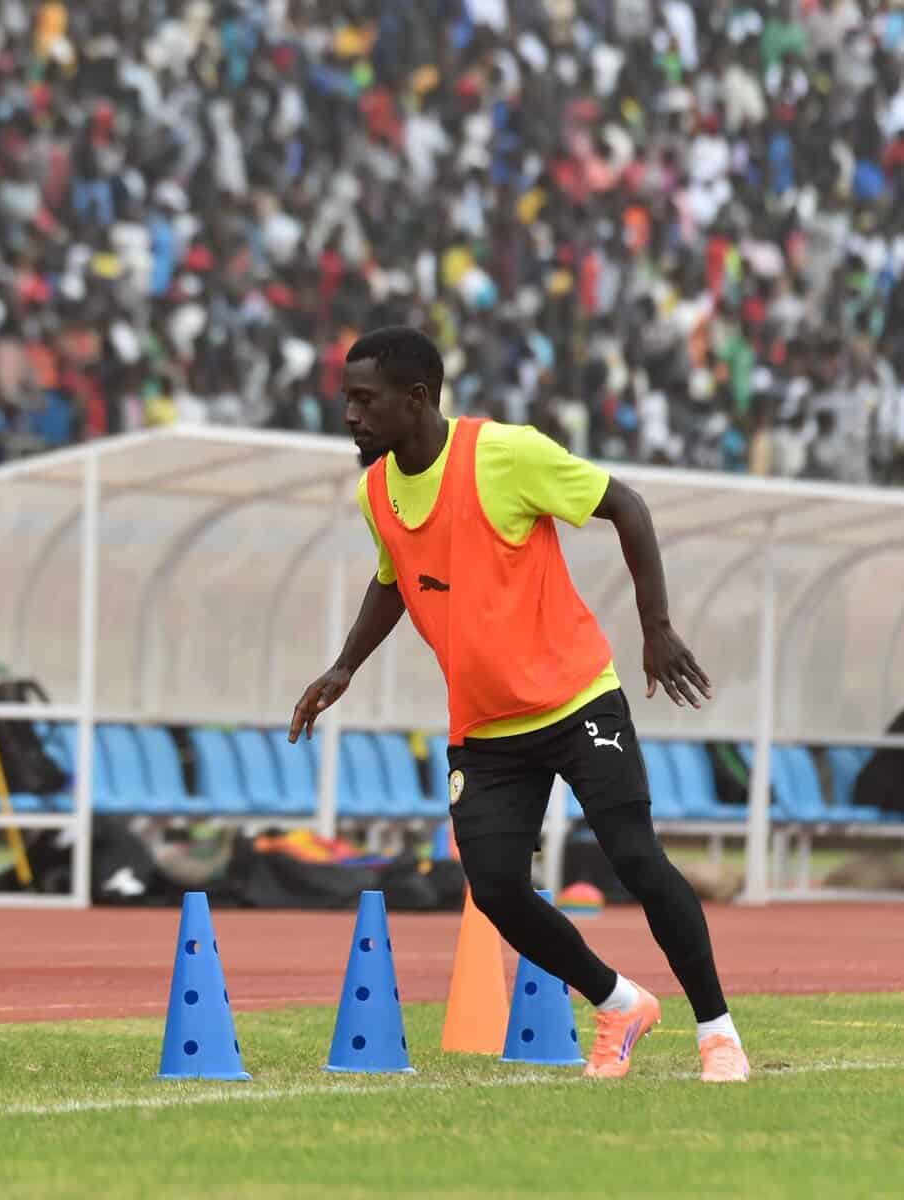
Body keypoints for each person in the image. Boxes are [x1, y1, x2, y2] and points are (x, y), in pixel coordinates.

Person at [289, 327, 748, 1084]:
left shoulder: (505, 453)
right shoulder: (375, 492)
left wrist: (655, 628)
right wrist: (343, 666)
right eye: (346, 399)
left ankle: (717, 1034)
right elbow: (392, 577)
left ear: (418, 399)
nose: (349, 415)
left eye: (364, 400)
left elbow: (625, 506)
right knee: (497, 888)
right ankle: (619, 1002)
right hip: (486, 728)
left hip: (576, 699)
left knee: (635, 858)